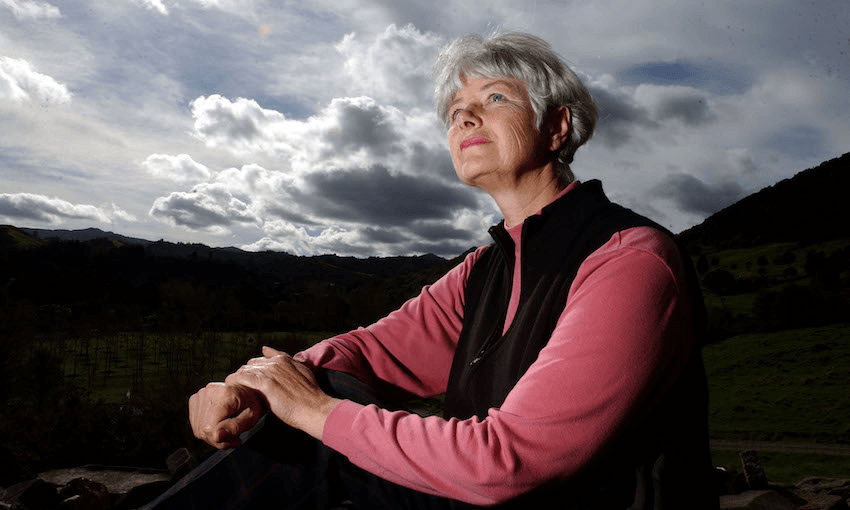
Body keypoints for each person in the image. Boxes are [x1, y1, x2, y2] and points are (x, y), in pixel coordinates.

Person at [147, 32, 718, 509]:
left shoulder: (629, 260)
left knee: (320, 426)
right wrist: (248, 384)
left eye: (495, 97)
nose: (464, 114)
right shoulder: (486, 269)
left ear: (557, 127)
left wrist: (312, 409)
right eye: (453, 111)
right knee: (320, 394)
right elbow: (366, 354)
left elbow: (507, 461)